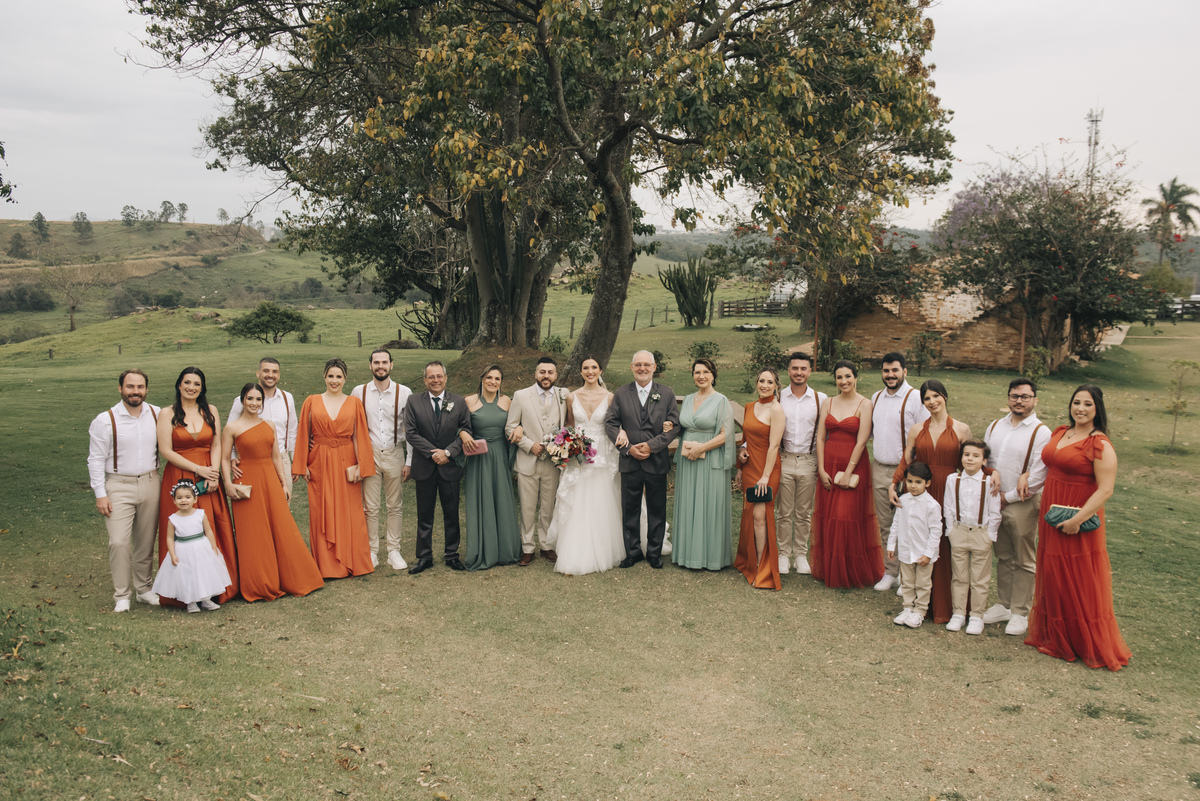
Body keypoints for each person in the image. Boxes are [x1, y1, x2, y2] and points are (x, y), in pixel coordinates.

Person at [1025, 385, 1130, 671]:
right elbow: (1048, 465)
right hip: (1052, 512)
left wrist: (1077, 520)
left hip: (1077, 518)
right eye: (1076, 402)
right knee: (1053, 573)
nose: (1080, 408)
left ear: (1098, 409)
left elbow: (1105, 490)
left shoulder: (1100, 445)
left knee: (1078, 577)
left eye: (1087, 404)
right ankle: (1056, 637)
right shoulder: (1061, 432)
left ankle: (1081, 642)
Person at [221, 382, 324, 601]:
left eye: (258, 399)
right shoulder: (232, 427)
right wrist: (228, 484)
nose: (254, 403)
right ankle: (259, 583)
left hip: (269, 478)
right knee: (253, 533)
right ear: (242, 401)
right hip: (247, 481)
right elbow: (223, 458)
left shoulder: (268, 424)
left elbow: (276, 456)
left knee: (282, 526)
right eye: (250, 399)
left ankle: (295, 577)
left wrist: (284, 483)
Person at [891, 379, 975, 623]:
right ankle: (918, 606)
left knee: (945, 544)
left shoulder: (961, 429)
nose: (932, 402)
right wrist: (894, 483)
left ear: (945, 396)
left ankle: (949, 606)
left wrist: (992, 474)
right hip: (922, 491)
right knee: (920, 538)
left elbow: (971, 461)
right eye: (927, 398)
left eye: (936, 396)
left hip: (948, 492)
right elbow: (907, 459)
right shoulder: (917, 430)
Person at [157, 367, 239, 605]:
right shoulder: (166, 414)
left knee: (211, 526)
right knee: (183, 531)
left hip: (208, 475)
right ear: (179, 385)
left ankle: (216, 588)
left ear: (202, 388)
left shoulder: (210, 411)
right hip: (180, 475)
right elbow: (165, 450)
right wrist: (197, 470)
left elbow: (215, 444)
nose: (191, 387)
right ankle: (184, 592)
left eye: (196, 384)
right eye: (187, 382)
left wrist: (213, 474)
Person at [292, 358, 376, 579]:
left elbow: (359, 436)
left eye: (339, 376)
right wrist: (303, 465)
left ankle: (352, 561)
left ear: (345, 379)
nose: (334, 380)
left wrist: (361, 465)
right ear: (324, 377)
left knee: (351, 511)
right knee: (321, 510)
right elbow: (303, 433)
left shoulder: (354, 403)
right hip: (319, 461)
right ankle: (327, 566)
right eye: (331, 376)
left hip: (346, 461)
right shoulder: (311, 401)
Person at [87, 369, 162, 612]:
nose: (135, 391)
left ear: (146, 389)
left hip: (151, 482)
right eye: (130, 386)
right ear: (120, 388)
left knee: (146, 541)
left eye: (140, 387)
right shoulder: (105, 420)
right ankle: (122, 594)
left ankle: (144, 589)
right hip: (118, 485)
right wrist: (100, 493)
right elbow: (95, 460)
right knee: (119, 542)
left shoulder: (157, 414)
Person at [982, 377, 1052, 636]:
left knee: (1023, 558)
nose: (1019, 401)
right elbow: (986, 459)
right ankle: (1003, 604)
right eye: (1014, 396)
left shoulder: (1041, 432)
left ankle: (1020, 612)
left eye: (1025, 396)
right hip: (994, 502)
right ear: (1008, 398)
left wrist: (1006, 497)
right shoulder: (994, 426)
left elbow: (1037, 475)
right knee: (1003, 555)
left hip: (1021, 503)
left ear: (1035, 400)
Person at [547, 357, 626, 575]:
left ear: (600, 370)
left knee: (602, 501)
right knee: (578, 501)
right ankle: (575, 550)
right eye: (585, 368)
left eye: (594, 367)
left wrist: (623, 432)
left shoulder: (610, 397)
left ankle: (604, 549)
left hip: (602, 456)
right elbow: (570, 426)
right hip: (578, 457)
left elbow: (616, 424)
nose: (590, 371)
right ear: (581, 372)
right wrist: (566, 445)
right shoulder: (571, 397)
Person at [810, 360, 884, 588]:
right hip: (829, 462)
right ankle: (830, 570)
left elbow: (862, 440)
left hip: (854, 466)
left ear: (856, 377)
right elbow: (821, 437)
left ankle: (850, 572)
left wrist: (848, 471)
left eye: (848, 376)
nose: (844, 381)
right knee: (829, 517)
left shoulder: (865, 404)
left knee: (846, 518)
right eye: (839, 377)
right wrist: (821, 469)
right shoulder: (828, 403)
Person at [604, 350, 681, 569]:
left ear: (654, 367)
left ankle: (654, 553)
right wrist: (628, 449)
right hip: (630, 461)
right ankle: (633, 552)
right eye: (638, 364)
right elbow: (610, 424)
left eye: (647, 365)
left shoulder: (666, 393)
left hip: (656, 461)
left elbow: (674, 426)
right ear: (631, 367)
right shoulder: (621, 393)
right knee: (630, 509)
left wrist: (651, 446)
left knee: (657, 508)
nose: (642, 368)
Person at [403, 360, 472, 574]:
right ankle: (424, 557)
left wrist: (448, 453)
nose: (435, 380)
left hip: (449, 466)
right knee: (425, 514)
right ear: (425, 380)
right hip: (425, 466)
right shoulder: (413, 401)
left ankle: (451, 555)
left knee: (451, 513)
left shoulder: (458, 402)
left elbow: (466, 430)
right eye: (431, 377)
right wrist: (435, 453)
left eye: (439, 376)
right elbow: (411, 433)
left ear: (445, 378)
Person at [869, 353, 929, 592]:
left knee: (908, 524)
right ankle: (890, 571)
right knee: (886, 524)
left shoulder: (916, 398)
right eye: (886, 371)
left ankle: (908, 575)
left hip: (906, 472)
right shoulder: (876, 398)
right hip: (879, 468)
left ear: (905, 371)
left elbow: (924, 438)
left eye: (895, 370)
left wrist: (914, 474)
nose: (890, 375)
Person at [350, 349, 413, 570]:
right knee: (371, 506)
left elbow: (411, 429)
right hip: (369, 454)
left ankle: (394, 551)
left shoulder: (404, 392)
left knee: (395, 505)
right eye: (376, 362)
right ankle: (372, 551)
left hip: (395, 452)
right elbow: (352, 427)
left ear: (391, 365)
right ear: (370, 365)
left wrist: (409, 461)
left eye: (384, 362)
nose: (380, 366)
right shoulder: (359, 391)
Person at [672, 358, 735, 571]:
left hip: (710, 459)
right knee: (689, 503)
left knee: (710, 505)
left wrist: (702, 448)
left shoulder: (721, 400)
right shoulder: (688, 399)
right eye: (697, 372)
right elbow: (681, 426)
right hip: (688, 459)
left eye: (706, 372)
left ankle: (711, 558)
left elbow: (727, 434)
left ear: (713, 375)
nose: (701, 376)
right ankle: (687, 555)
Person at [504, 357, 568, 565]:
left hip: (552, 462)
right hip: (527, 461)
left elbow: (569, 426)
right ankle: (527, 547)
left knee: (548, 508)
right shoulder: (521, 396)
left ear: (556, 375)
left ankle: (547, 546)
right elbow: (510, 427)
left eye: (550, 372)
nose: (546, 376)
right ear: (535, 374)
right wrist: (528, 444)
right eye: (542, 372)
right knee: (527, 508)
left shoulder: (563, 395)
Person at [460, 365, 521, 571]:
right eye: (489, 377)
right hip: (478, 457)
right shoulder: (469, 401)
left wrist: (520, 427)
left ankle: (505, 551)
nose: (493, 382)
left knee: (501, 500)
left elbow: (518, 421)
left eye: (497, 378)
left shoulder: (507, 401)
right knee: (481, 500)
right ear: (482, 379)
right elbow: (457, 423)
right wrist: (463, 433)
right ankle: (482, 551)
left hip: (500, 455)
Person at [774, 352, 827, 575]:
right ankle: (783, 554)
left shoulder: (820, 399)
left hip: (808, 459)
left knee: (804, 512)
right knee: (784, 511)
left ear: (809, 371)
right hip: (784, 458)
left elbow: (826, 433)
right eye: (795, 368)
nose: (799, 372)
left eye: (803, 368)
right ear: (788, 371)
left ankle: (801, 555)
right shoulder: (778, 396)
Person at [943, 439, 1002, 635]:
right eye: (967, 455)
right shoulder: (953, 479)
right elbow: (948, 506)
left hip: (980, 533)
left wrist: (989, 536)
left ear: (984, 461)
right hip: (958, 531)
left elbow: (995, 511)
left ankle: (977, 616)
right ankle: (959, 613)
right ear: (961, 458)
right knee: (959, 576)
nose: (970, 459)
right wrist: (950, 531)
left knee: (980, 578)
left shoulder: (989, 482)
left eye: (976, 456)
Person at [733, 368, 784, 590]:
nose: (764, 385)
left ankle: (763, 570)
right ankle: (749, 562)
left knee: (761, 516)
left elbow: (774, 445)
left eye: (769, 382)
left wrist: (765, 476)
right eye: (761, 381)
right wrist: (740, 461)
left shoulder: (777, 409)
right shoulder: (749, 407)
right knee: (750, 514)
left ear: (776, 386)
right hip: (750, 466)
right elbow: (746, 439)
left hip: (768, 469)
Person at [151, 480, 232, 613]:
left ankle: (206, 599)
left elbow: (209, 531)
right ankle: (191, 602)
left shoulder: (200, 514)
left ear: (195, 499)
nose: (184, 500)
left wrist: (213, 547)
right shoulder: (173, 519)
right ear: (174, 501)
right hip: (183, 550)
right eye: (179, 498)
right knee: (187, 575)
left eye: (187, 497)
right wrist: (172, 554)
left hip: (201, 547)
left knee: (203, 572)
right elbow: (170, 537)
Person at [228, 357, 298, 506]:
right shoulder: (242, 400)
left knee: (282, 507)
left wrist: (294, 461)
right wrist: (233, 456)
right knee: (256, 506)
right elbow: (231, 431)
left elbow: (292, 430)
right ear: (258, 373)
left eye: (274, 372)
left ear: (279, 375)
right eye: (266, 371)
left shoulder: (287, 398)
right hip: (252, 461)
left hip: (281, 458)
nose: (270, 375)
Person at [886, 462, 941, 628]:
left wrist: (928, 554)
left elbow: (936, 531)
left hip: (923, 552)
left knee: (923, 584)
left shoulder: (932, 505)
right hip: (905, 549)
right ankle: (908, 608)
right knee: (907, 581)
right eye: (910, 481)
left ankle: (920, 611)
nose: (913, 486)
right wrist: (891, 545)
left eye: (918, 482)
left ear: (927, 483)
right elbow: (896, 523)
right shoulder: (902, 500)